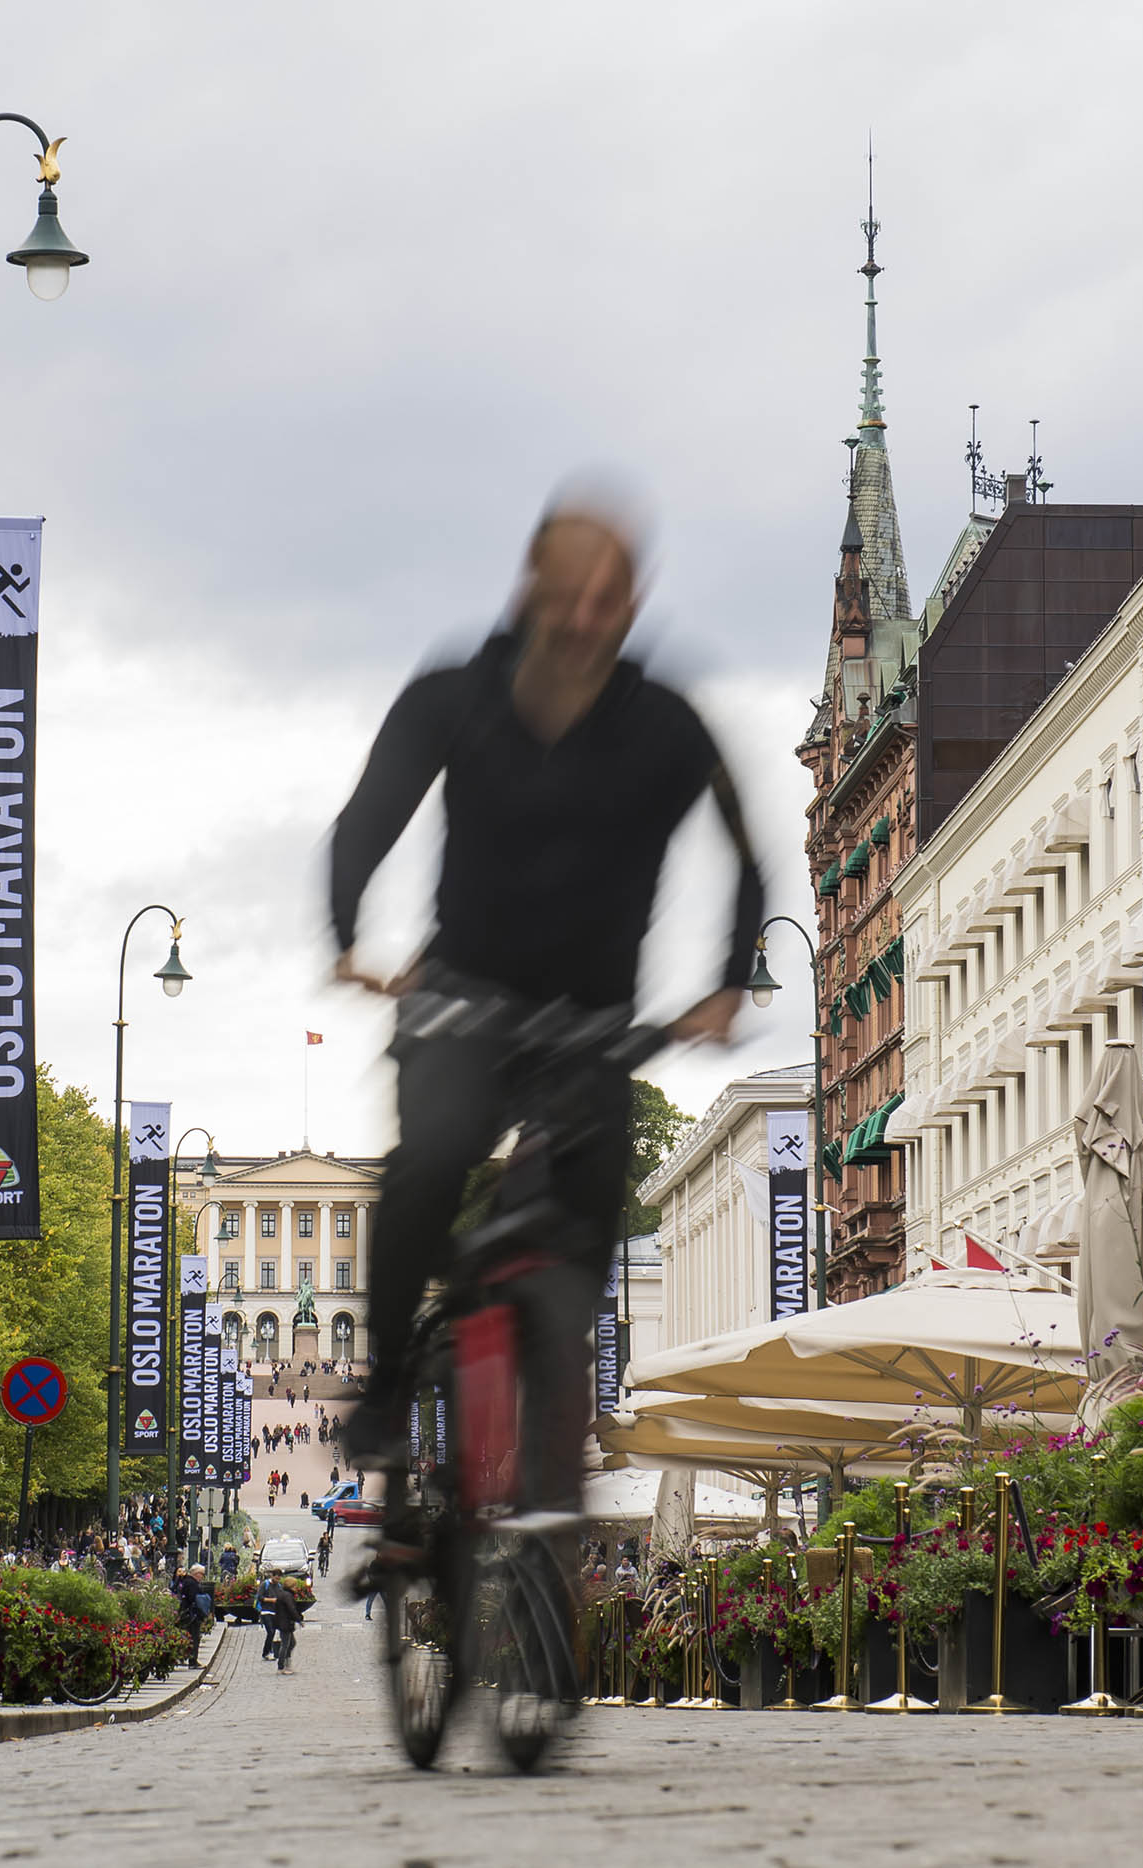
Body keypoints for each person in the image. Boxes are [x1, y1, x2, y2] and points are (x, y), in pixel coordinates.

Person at [329, 497, 758, 1524]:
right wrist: (348, 934)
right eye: (563, 596)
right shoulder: (456, 695)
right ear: (529, 591)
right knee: (429, 1161)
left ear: (629, 605)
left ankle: (549, 1510)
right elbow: (367, 818)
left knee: (584, 1235)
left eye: (603, 600)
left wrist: (728, 980)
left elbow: (747, 854)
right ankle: (389, 1385)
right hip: (464, 1000)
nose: (580, 619)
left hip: (593, 1024)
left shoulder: (665, 721)